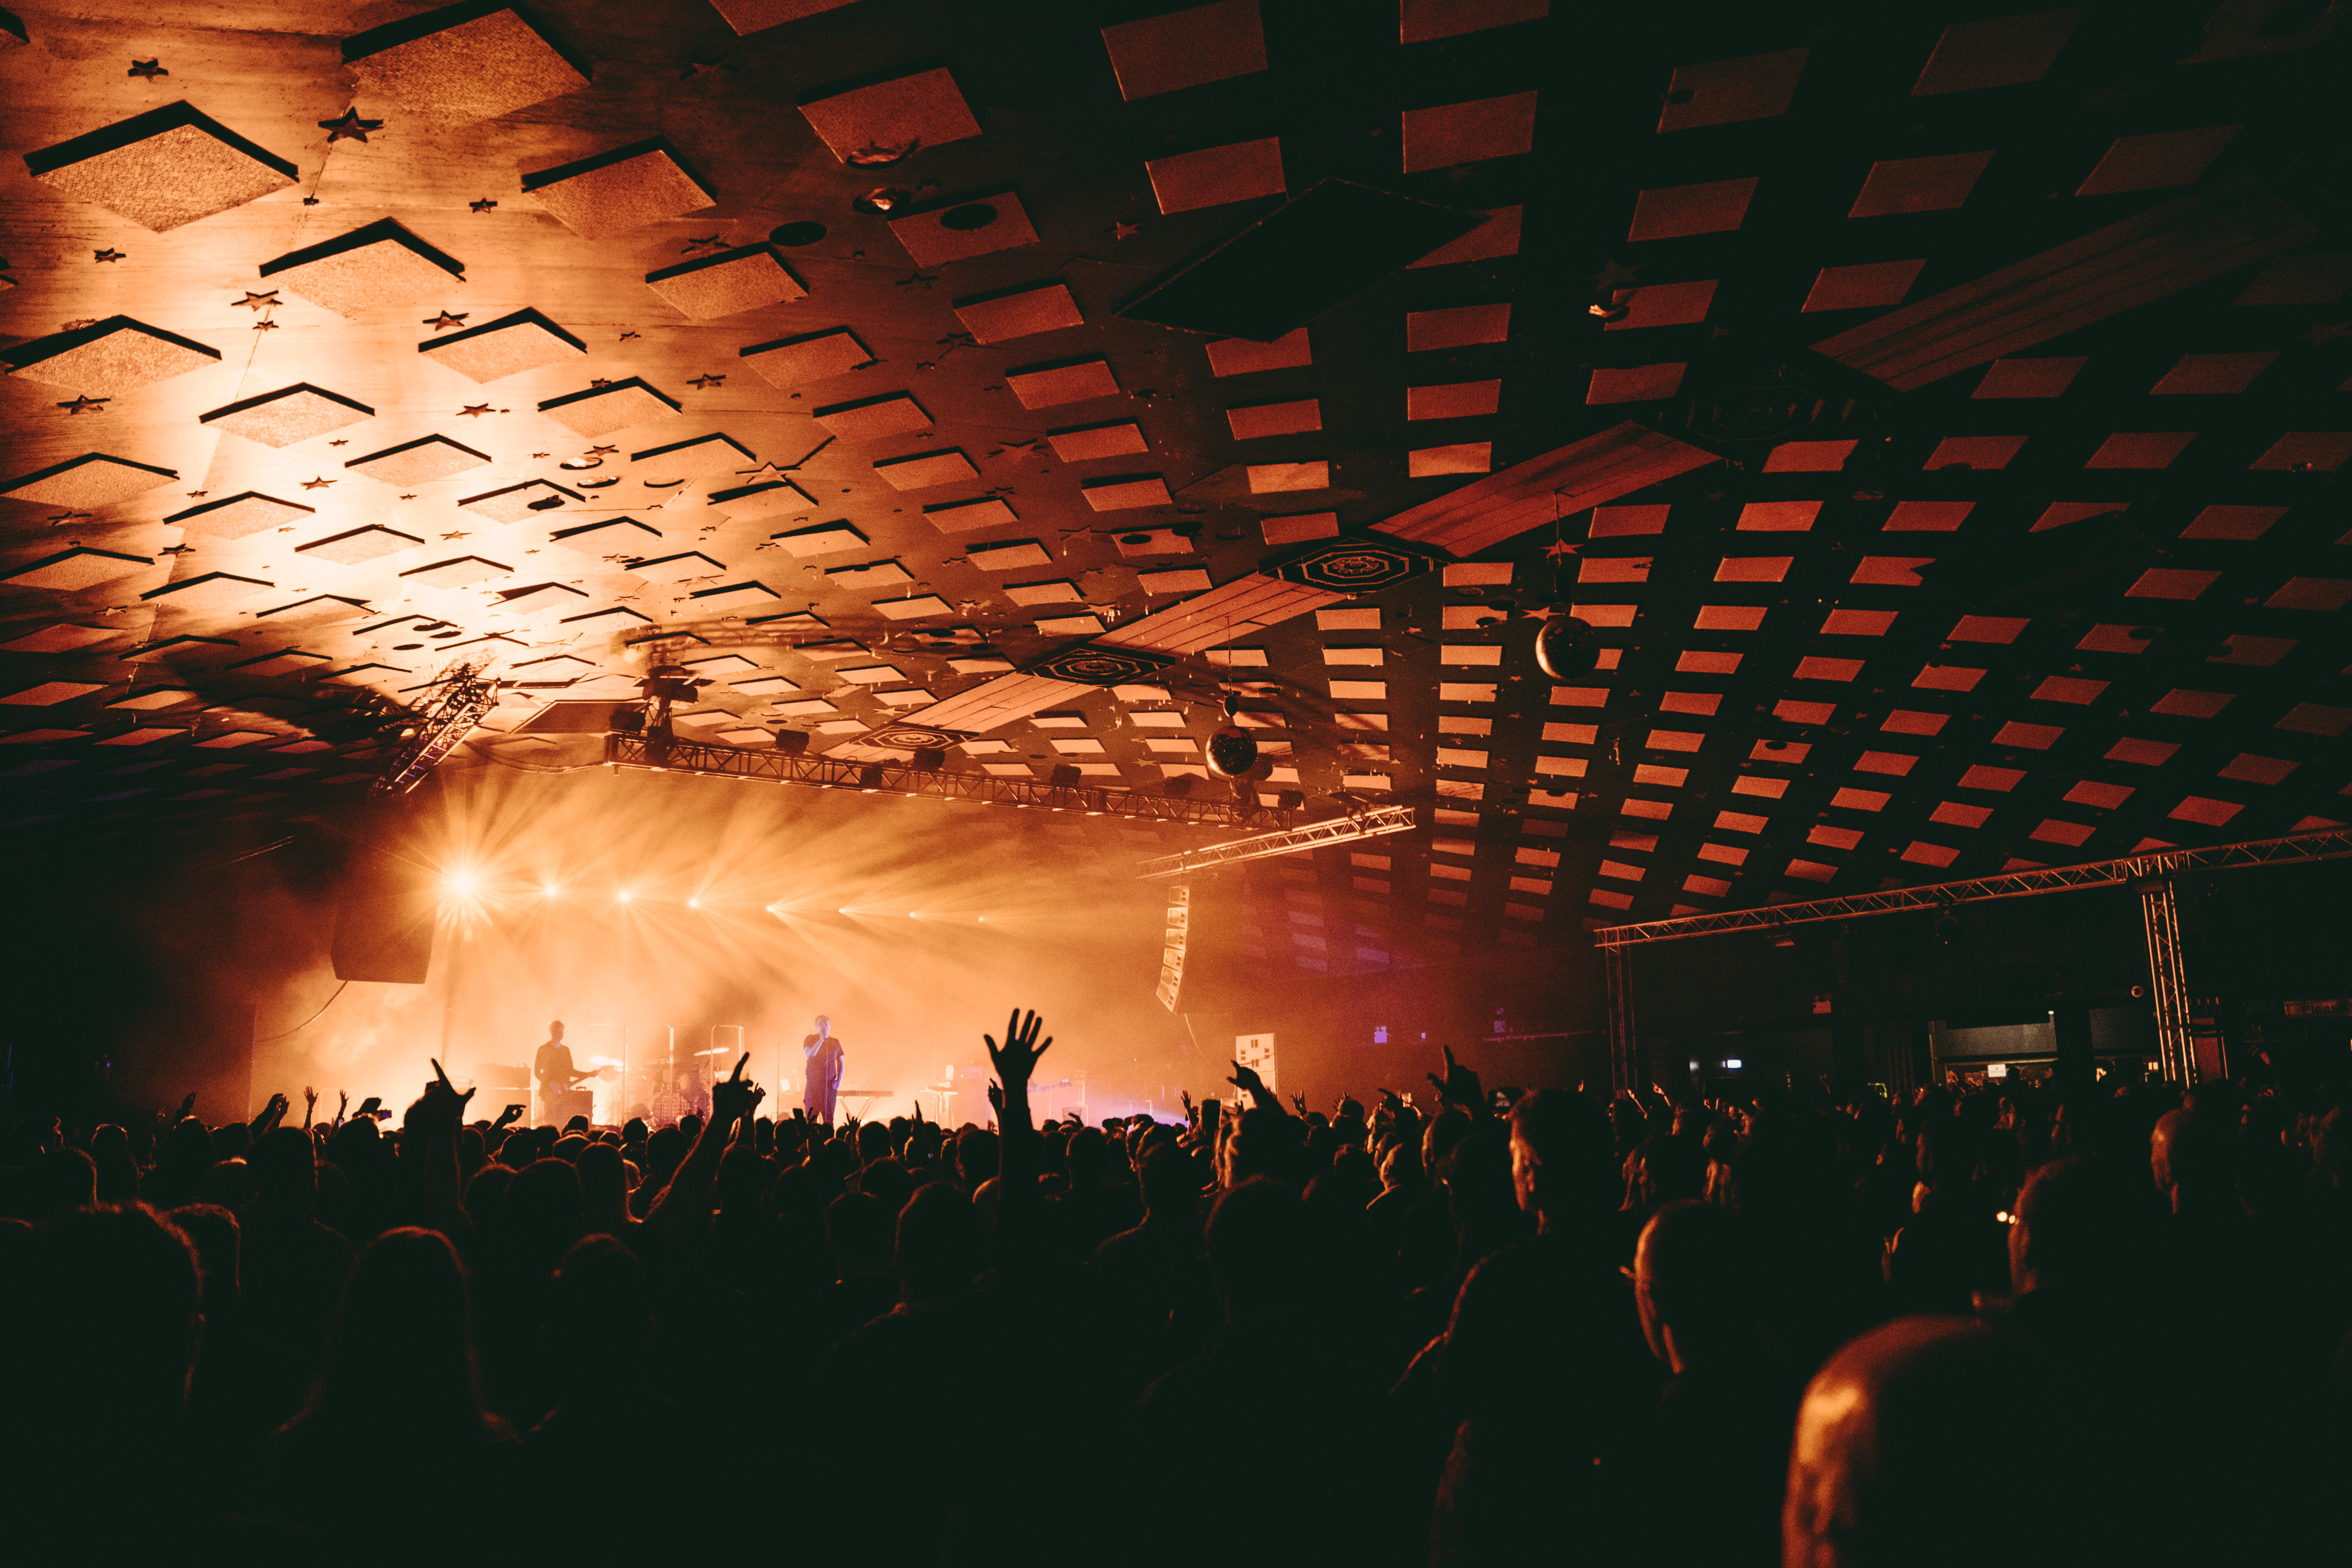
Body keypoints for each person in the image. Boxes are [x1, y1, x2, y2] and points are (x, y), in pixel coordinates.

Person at [533, 1020, 593, 1124]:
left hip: (564, 1091)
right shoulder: (543, 1049)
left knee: (564, 1119)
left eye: (562, 1032)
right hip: (548, 1092)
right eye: (558, 1032)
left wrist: (589, 1074)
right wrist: (550, 1083)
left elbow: (570, 1071)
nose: (561, 1035)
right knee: (551, 1120)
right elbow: (537, 1072)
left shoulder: (566, 1050)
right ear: (552, 1032)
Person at [802, 1014, 844, 1128]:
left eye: (826, 1024)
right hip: (813, 1087)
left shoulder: (835, 1042)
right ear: (816, 1026)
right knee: (811, 1119)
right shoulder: (810, 1039)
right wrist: (821, 1040)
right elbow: (809, 1055)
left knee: (829, 1120)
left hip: (829, 1087)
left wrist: (839, 1080)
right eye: (821, 1024)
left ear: (829, 1025)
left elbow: (840, 1062)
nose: (824, 1026)